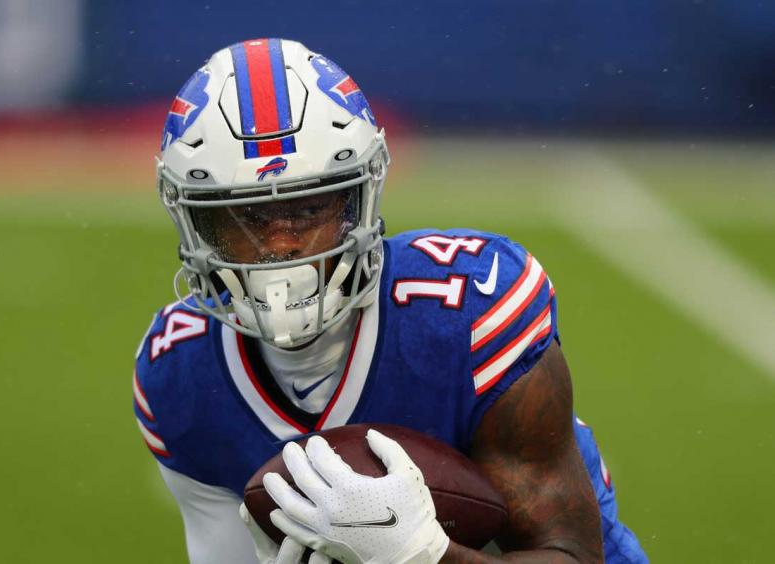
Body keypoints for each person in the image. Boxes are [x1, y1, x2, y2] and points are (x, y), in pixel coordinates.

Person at [133, 38, 647, 563]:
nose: (281, 244)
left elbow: (574, 555)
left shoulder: (472, 314)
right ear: (197, 225)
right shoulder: (179, 372)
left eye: (308, 209)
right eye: (245, 217)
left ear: (359, 200)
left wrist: (425, 555)